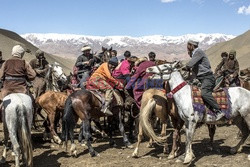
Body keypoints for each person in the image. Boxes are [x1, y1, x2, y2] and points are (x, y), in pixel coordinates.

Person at [182, 40, 223, 120]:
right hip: (199, 78)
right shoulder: (195, 55)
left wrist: (184, 67)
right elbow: (193, 71)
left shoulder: (198, 52)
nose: (187, 48)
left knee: (204, 93)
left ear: (192, 45)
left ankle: (219, 110)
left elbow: (190, 64)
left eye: (188, 46)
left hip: (207, 77)